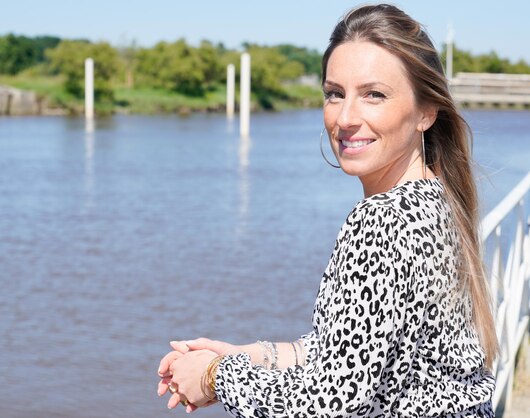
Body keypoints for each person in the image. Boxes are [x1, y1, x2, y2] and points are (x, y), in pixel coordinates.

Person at [157, 4, 498, 417]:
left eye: (374, 95)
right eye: (335, 94)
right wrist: (248, 355)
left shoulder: (383, 221)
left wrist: (214, 376)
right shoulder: (435, 200)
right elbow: (350, 349)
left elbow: (327, 404)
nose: (346, 117)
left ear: (426, 112)